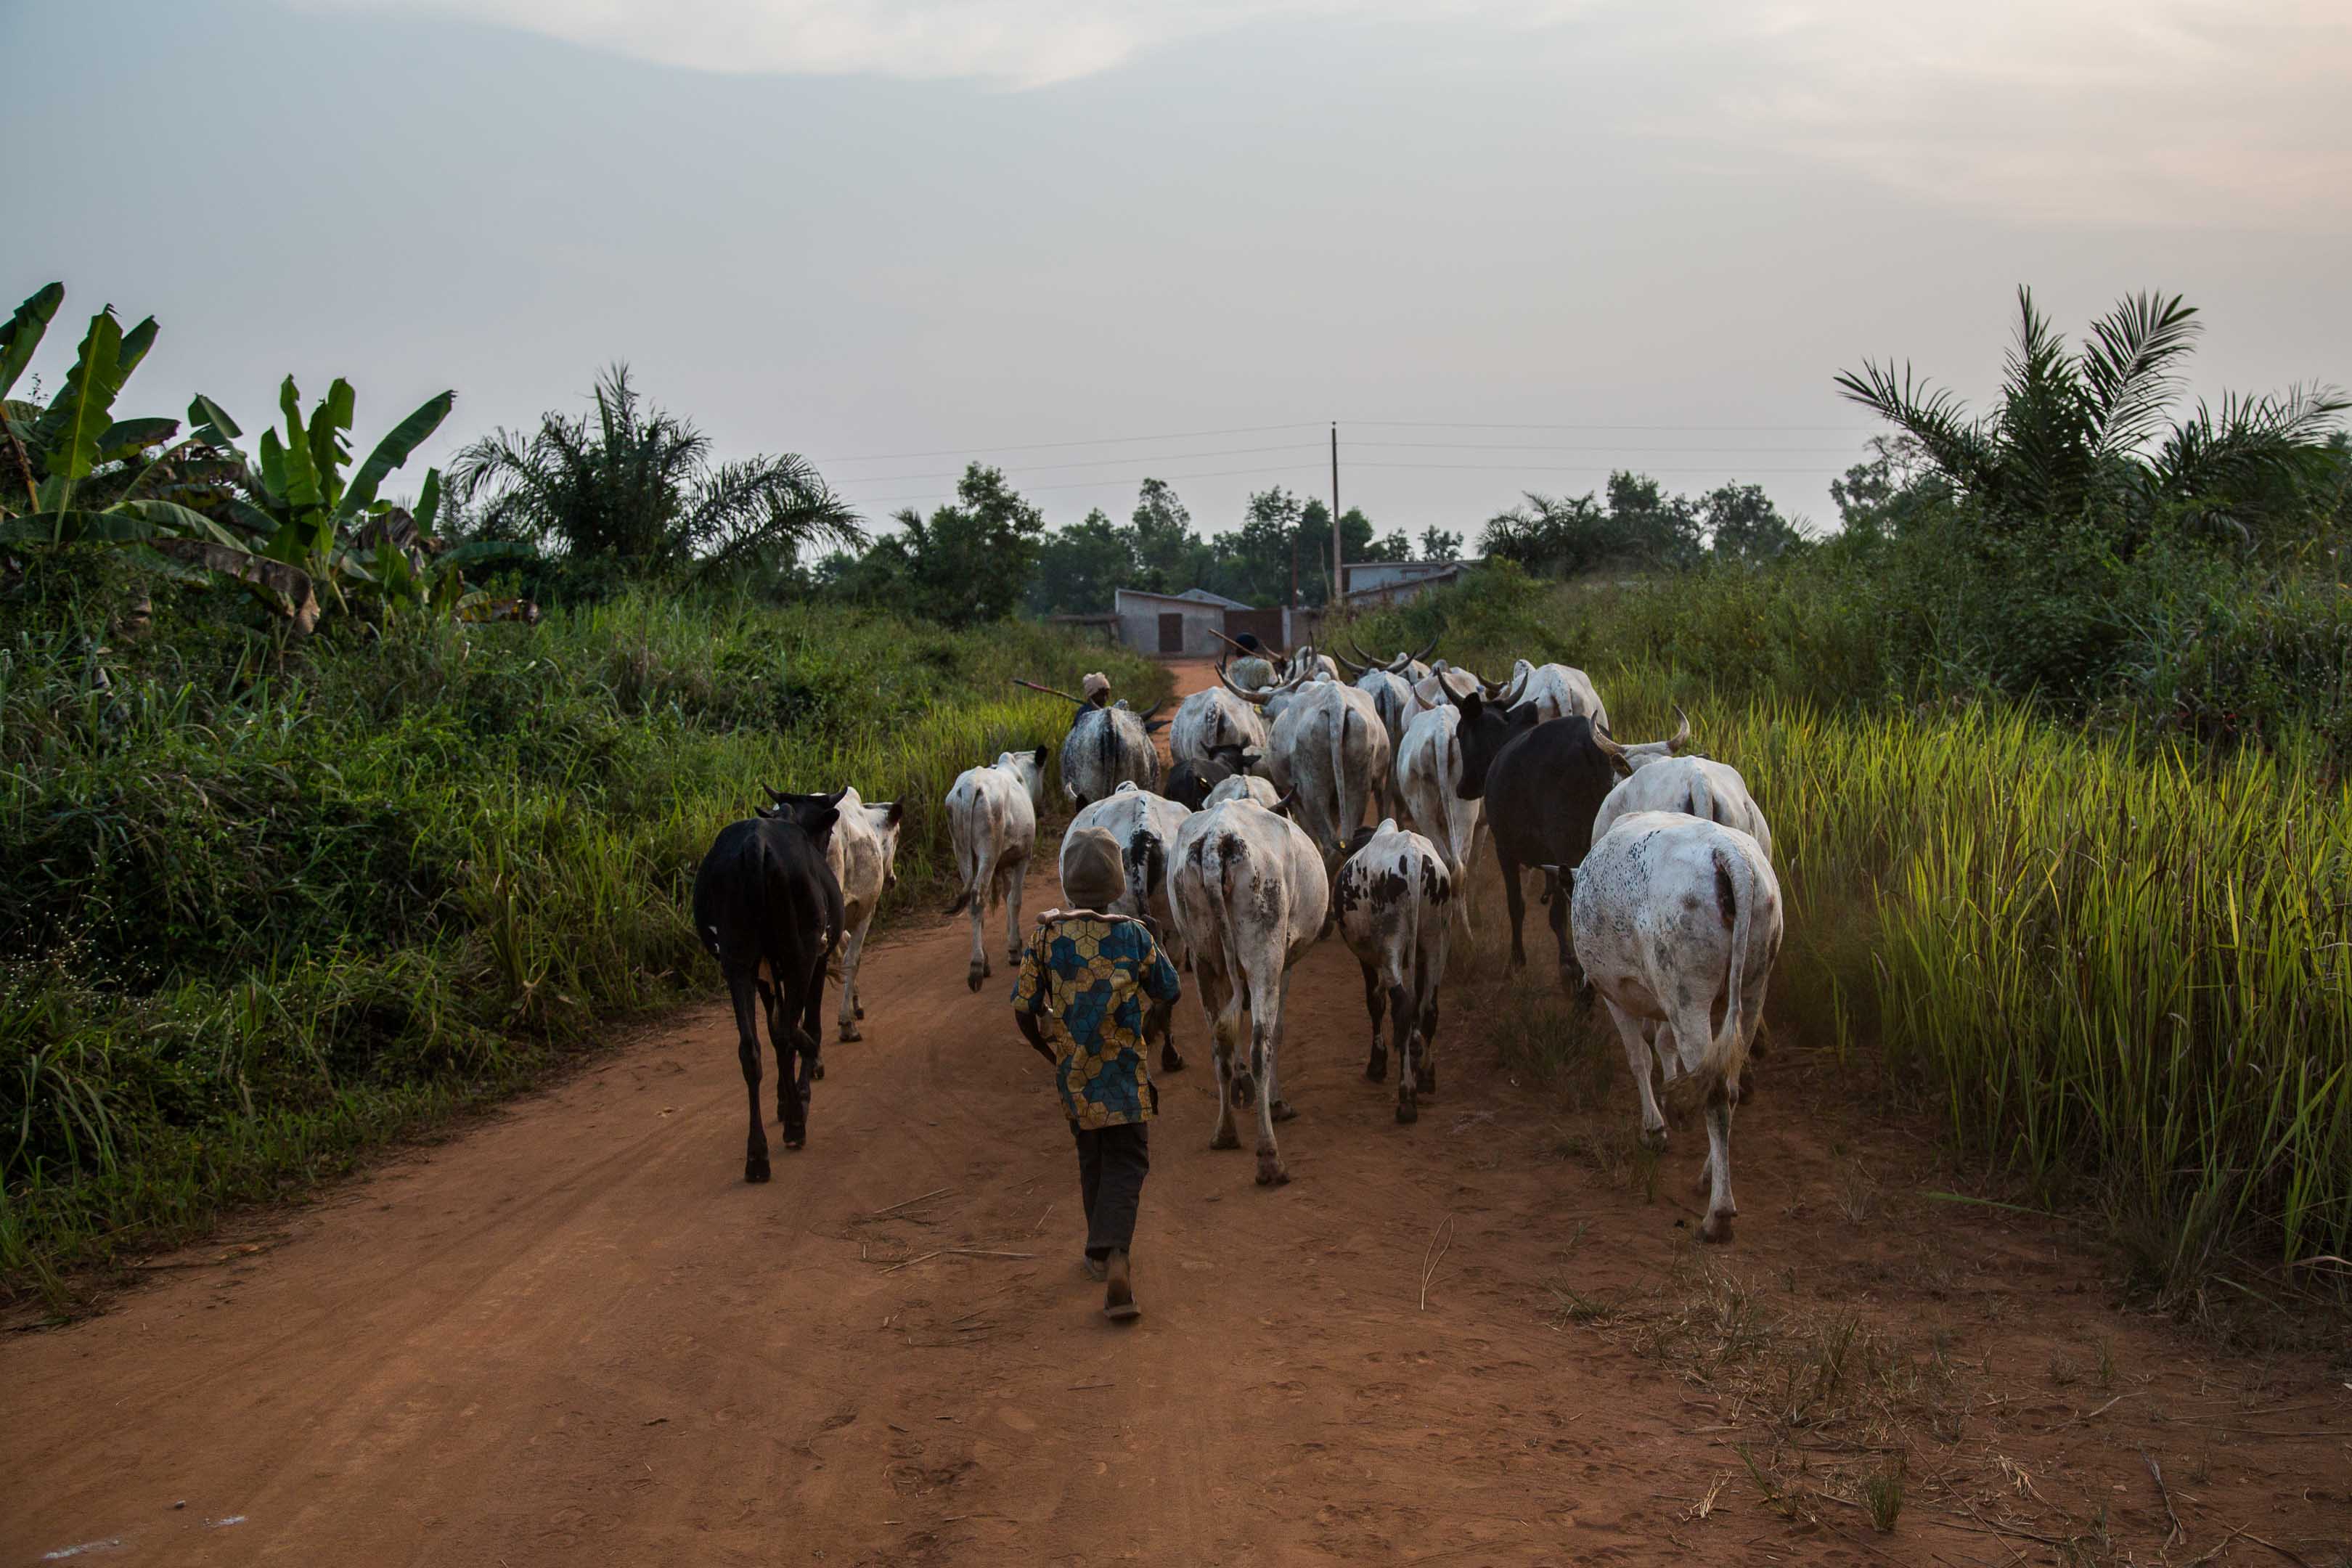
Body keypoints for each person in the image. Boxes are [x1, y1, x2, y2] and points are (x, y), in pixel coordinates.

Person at [1010, 827, 1180, 1322]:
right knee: (1129, 1160)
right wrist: (1144, 1027)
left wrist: (1050, 1051)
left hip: (1075, 1075)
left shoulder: (1045, 937)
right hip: (1124, 1072)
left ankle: (1096, 1252)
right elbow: (1170, 990)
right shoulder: (1133, 935)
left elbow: (1023, 1007)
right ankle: (1118, 1255)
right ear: (1116, 882)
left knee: (1093, 1157)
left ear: (1067, 879)